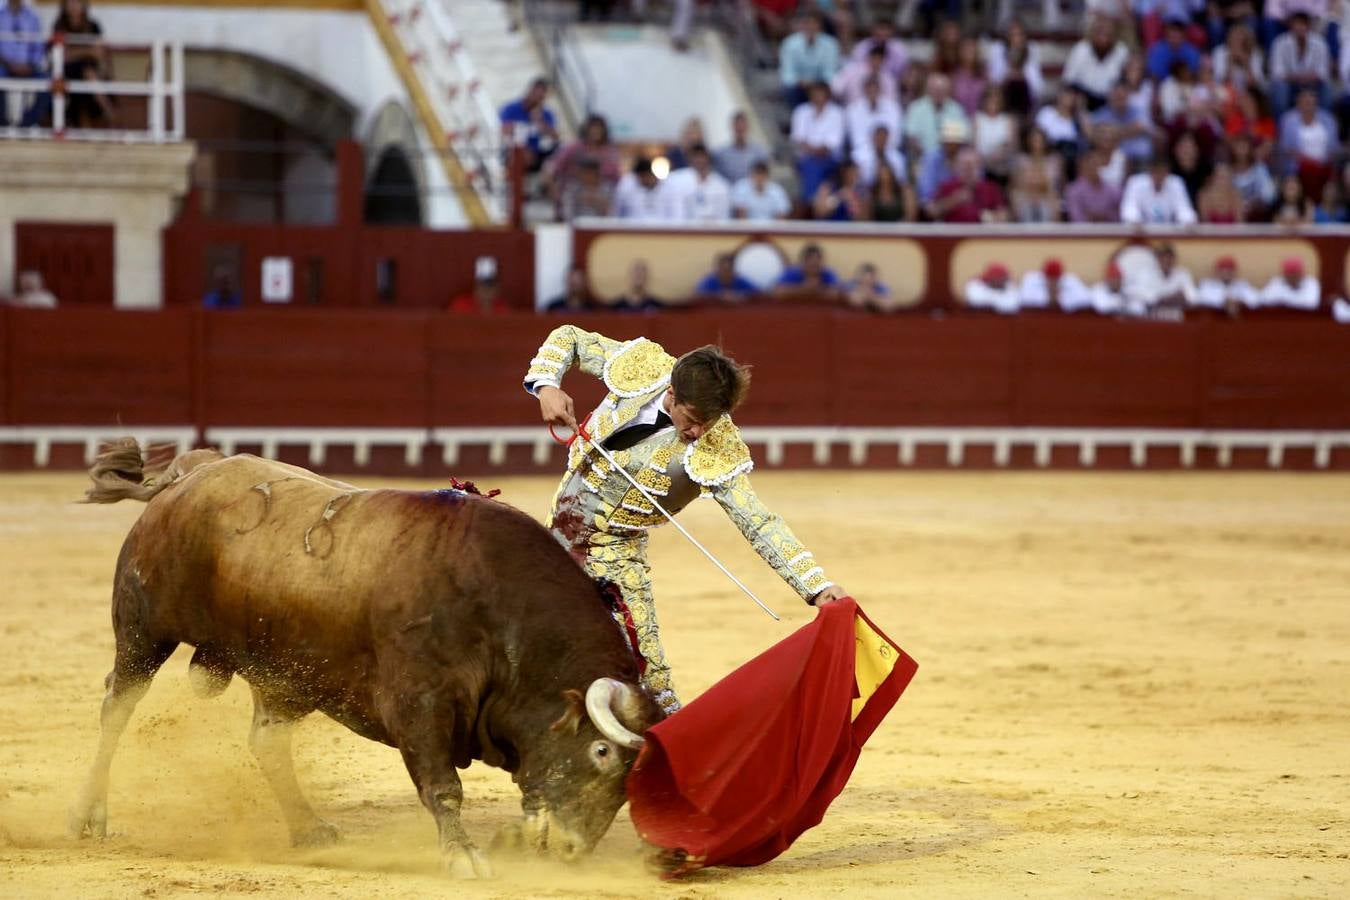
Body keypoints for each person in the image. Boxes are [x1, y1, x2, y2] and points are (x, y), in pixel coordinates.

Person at [523, 330, 847, 712]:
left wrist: (815, 585)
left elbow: (758, 522)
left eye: (709, 423)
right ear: (672, 395)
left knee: (648, 682)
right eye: (692, 419)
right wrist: (547, 384)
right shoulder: (644, 366)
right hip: (555, 538)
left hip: (616, 559)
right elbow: (570, 338)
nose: (698, 433)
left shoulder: (717, 447)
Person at [53, 0, 113, 127]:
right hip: (67, 71)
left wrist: (75, 52)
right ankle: (108, 112)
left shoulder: (93, 25)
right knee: (86, 73)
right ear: (64, 5)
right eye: (70, 3)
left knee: (88, 73)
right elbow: (62, 56)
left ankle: (102, 115)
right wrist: (87, 51)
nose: (74, 6)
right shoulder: (59, 26)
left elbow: (99, 53)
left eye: (77, 2)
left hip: (90, 70)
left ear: (84, 5)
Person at [790, 80, 846, 203]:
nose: (817, 96)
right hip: (806, 158)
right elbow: (798, 140)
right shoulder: (801, 111)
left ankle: (810, 202)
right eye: (814, 93)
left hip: (830, 159)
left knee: (814, 166)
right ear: (810, 94)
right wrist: (813, 151)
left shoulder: (837, 113)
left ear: (827, 95)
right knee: (811, 164)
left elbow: (832, 144)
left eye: (820, 93)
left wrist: (815, 150)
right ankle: (813, 202)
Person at [1268, 11, 1330, 114]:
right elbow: (1277, 73)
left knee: (1327, 88)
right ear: (1291, 26)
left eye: (1303, 24)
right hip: (1289, 85)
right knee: (1279, 87)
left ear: (1309, 26)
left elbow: (1323, 72)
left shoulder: (1320, 43)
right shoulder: (1279, 43)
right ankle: (1281, 125)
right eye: (1297, 24)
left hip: (1312, 85)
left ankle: (1323, 123)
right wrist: (1298, 78)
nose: (1300, 28)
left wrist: (1307, 78)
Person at [1063, 16, 1129, 110]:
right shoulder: (1080, 49)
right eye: (1100, 33)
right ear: (1092, 34)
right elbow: (1069, 80)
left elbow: (1127, 81)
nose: (1104, 38)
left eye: (1108, 34)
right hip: (1084, 98)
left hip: (1111, 101)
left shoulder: (1121, 51)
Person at [0, 0, 49, 127]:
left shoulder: (33, 16)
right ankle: (2, 124)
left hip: (28, 67)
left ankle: (26, 124)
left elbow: (39, 47)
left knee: (48, 81)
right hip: (3, 66)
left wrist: (30, 65)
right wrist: (9, 64)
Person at [779, 11, 841, 108]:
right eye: (807, 23)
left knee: (835, 88)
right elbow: (787, 74)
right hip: (799, 86)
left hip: (821, 84)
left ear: (819, 26)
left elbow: (830, 73)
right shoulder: (789, 44)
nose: (810, 27)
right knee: (790, 89)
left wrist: (815, 83)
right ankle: (798, 115)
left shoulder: (830, 44)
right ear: (802, 25)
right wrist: (801, 82)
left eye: (814, 23)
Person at [930, 147, 1008, 224]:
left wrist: (992, 217)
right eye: (965, 166)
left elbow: (1004, 216)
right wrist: (953, 200)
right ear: (957, 166)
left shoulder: (991, 187)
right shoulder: (947, 186)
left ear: (979, 167)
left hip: (983, 234)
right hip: (954, 233)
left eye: (972, 166)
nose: (969, 171)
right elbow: (932, 212)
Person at [903, 71, 970, 159]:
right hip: (921, 157)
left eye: (942, 90)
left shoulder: (956, 110)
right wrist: (926, 157)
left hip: (950, 159)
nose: (938, 92)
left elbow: (960, 138)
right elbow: (911, 137)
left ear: (948, 91)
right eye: (935, 89)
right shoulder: (916, 108)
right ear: (928, 89)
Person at [499, 77, 559, 173]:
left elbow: (555, 137)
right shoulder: (511, 108)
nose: (536, 98)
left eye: (540, 97)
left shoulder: (546, 114)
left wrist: (540, 122)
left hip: (535, 155)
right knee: (517, 151)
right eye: (535, 93)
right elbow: (504, 129)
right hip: (512, 149)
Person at [1090, 82, 1158, 165]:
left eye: (1122, 95)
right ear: (1110, 96)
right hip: (1111, 161)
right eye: (1117, 95)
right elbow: (1093, 136)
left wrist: (1113, 132)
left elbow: (1150, 131)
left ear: (1128, 96)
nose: (1120, 98)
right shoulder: (1101, 115)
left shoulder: (1138, 111)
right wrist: (1130, 130)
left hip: (1140, 161)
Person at [661, 144, 732, 221]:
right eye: (696, 156)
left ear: (708, 158)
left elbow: (724, 214)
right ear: (690, 158)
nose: (699, 160)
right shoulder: (676, 179)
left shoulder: (721, 184)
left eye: (702, 156)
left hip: (712, 229)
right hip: (683, 228)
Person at [1120, 155, 1199, 224]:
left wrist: (1188, 220)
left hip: (1168, 233)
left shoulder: (1176, 183)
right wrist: (1135, 220)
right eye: (1156, 172)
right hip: (1142, 232)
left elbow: (1184, 208)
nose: (1159, 176)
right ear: (1149, 171)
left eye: (1162, 172)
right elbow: (1129, 207)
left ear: (1167, 172)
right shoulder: (1136, 183)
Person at [1009, 127, 1063, 223]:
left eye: (1039, 140)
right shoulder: (1021, 160)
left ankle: (1052, 232)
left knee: (1054, 199)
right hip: (1026, 194)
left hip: (1047, 194)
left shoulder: (1054, 160)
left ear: (1045, 142)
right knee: (1016, 196)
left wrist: (1041, 186)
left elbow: (1053, 184)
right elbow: (1017, 184)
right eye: (1034, 140)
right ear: (1028, 141)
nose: (1036, 143)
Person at [845, 75, 902, 156]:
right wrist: (873, 149)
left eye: (874, 89)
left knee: (898, 160)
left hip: (888, 150)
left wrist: (882, 147)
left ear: (879, 89)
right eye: (869, 89)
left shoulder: (893, 107)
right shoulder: (853, 109)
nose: (872, 92)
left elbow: (896, 137)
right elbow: (856, 139)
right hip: (863, 151)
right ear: (864, 90)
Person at [1064, 148, 1123, 222]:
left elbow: (1120, 215)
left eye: (1096, 163)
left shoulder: (1113, 189)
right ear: (1082, 165)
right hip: (1083, 232)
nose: (1094, 167)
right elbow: (1076, 217)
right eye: (1090, 163)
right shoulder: (1073, 190)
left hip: (1110, 231)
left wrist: (1104, 216)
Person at [713, 111, 769, 184]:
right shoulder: (721, 154)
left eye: (742, 126)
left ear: (747, 127)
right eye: (737, 127)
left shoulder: (759, 153)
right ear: (732, 127)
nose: (740, 129)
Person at [774, 243, 842, 304]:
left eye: (817, 264)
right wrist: (804, 289)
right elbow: (777, 292)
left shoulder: (828, 274)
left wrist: (815, 290)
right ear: (802, 262)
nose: (814, 264)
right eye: (810, 263)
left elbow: (835, 294)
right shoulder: (792, 273)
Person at [1018, 258, 1091, 312]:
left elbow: (1085, 299)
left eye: (1056, 278)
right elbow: (1023, 299)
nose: (1053, 280)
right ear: (1043, 275)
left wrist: (1060, 298)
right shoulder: (1031, 279)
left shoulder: (1071, 280)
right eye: (1050, 277)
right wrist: (1049, 297)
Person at [1146, 15, 1202, 81]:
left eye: (1178, 31)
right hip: (1162, 86)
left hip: (1186, 85)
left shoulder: (1192, 51)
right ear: (1166, 32)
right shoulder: (1156, 50)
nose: (1175, 34)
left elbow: (1193, 73)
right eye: (1172, 30)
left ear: (1184, 34)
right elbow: (1154, 75)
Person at [852, 122, 906, 187]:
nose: (881, 140)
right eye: (879, 136)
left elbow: (901, 179)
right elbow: (855, 179)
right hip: (865, 188)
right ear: (872, 137)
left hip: (890, 189)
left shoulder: (897, 157)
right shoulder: (858, 156)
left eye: (884, 137)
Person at [693, 253, 758, 305]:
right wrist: (719, 296)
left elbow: (757, 294)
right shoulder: (709, 281)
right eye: (723, 269)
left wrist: (740, 296)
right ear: (718, 269)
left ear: (733, 270)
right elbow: (698, 295)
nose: (725, 272)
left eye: (728, 269)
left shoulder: (740, 280)